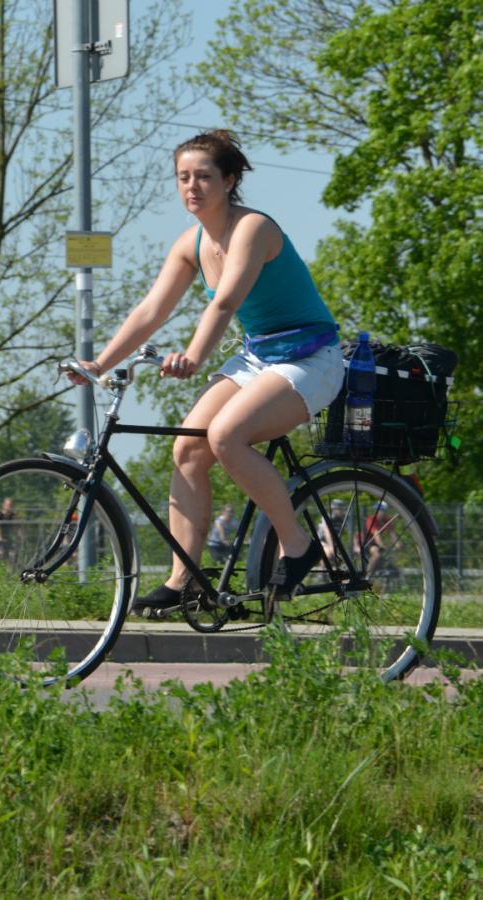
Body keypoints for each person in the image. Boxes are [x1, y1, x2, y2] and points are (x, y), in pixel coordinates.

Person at [67, 129, 344, 615]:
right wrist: (100, 363)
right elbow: (152, 310)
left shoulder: (253, 228)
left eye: (203, 177)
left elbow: (226, 302)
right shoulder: (192, 243)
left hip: (310, 359)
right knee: (188, 448)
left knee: (226, 436)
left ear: (229, 181)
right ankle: (186, 581)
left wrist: (194, 356)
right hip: (259, 358)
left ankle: (299, 546)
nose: (191, 187)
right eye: (183, 177)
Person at [317, 498, 346, 564]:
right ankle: (322, 570)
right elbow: (327, 533)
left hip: (333, 542)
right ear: (334, 509)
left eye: (342, 509)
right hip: (322, 541)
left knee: (341, 558)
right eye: (340, 509)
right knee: (328, 554)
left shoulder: (341, 519)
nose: (342, 511)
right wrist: (331, 547)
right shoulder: (328, 517)